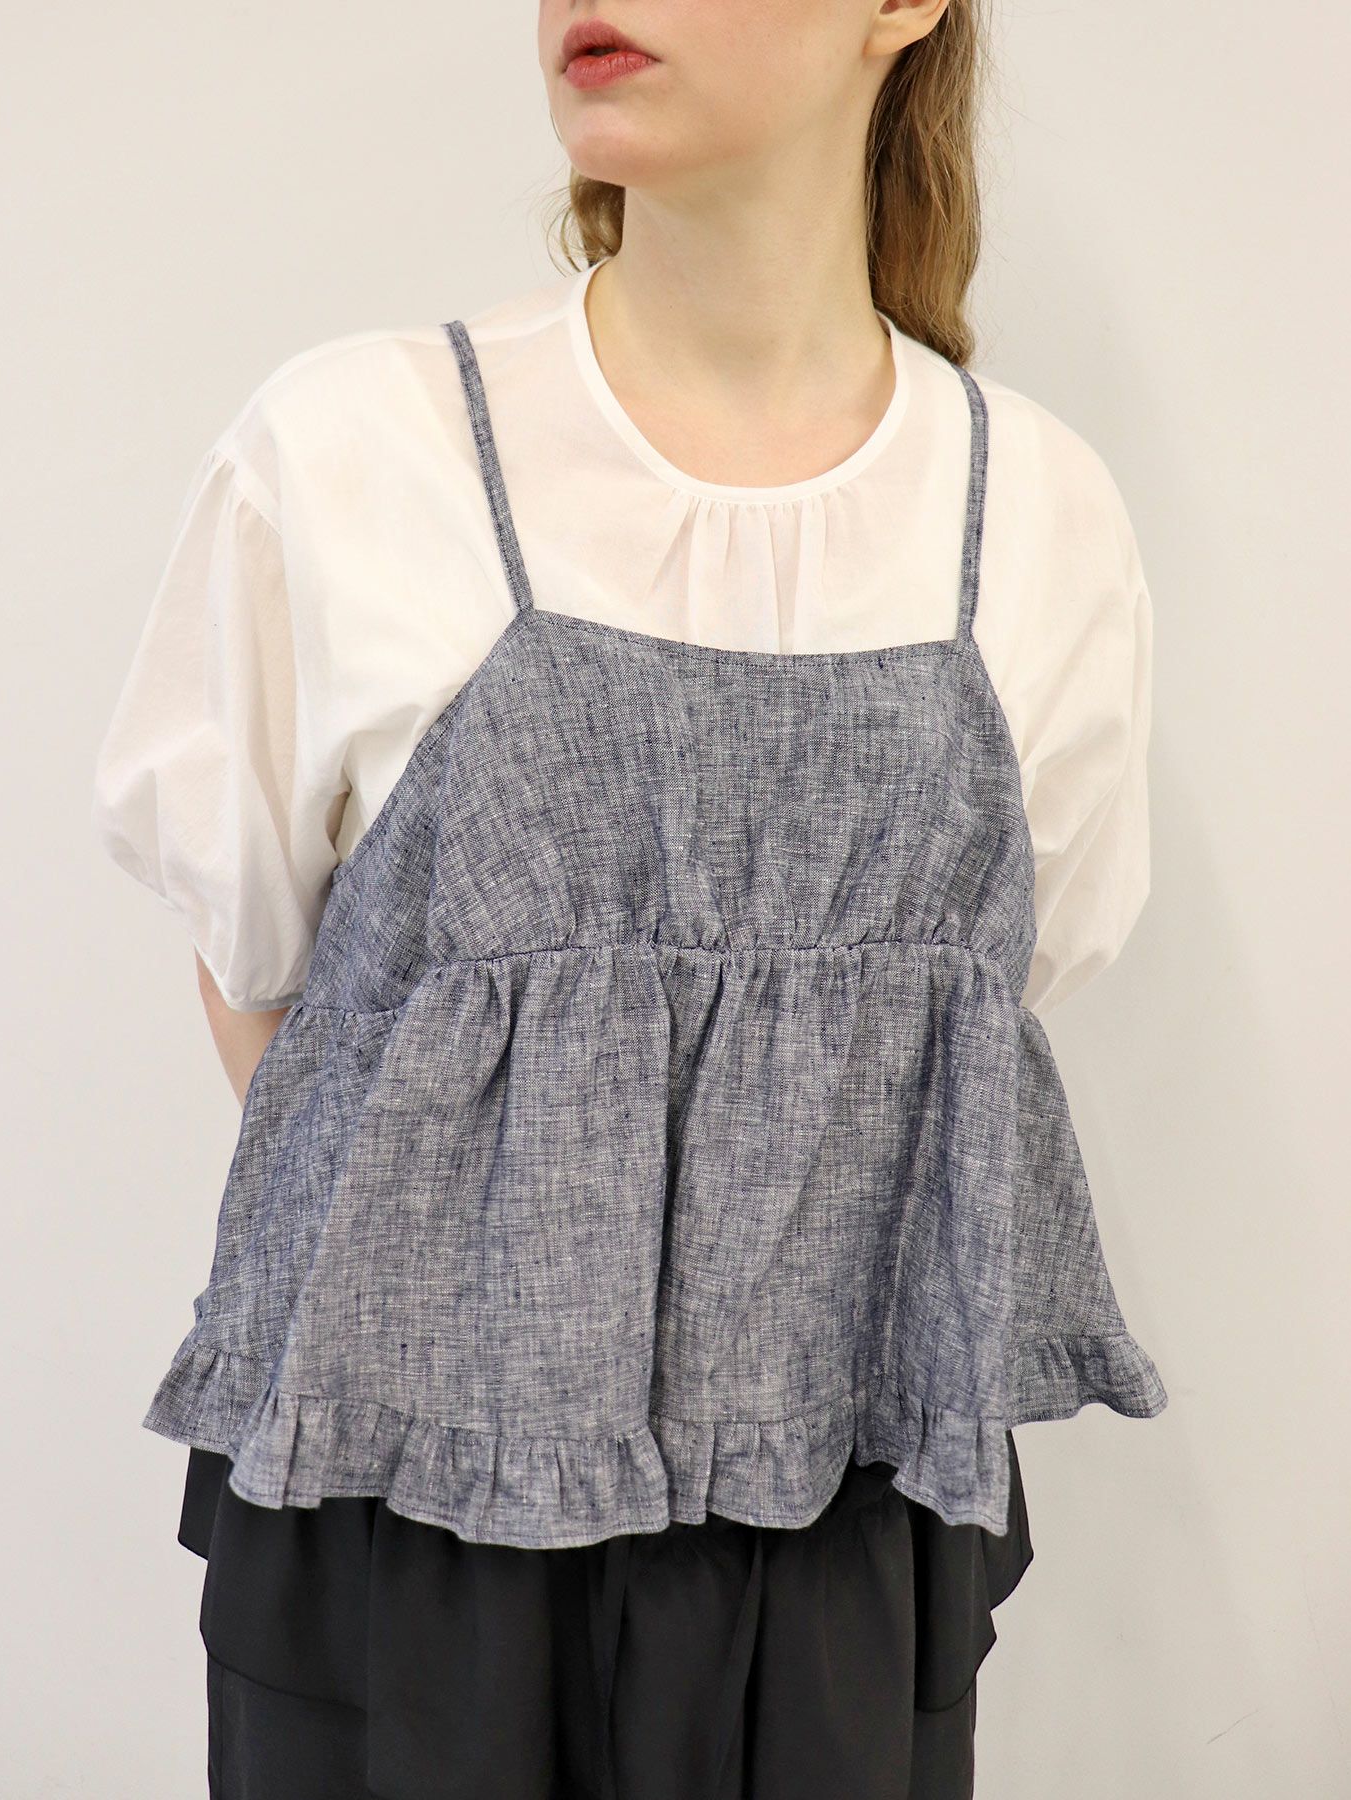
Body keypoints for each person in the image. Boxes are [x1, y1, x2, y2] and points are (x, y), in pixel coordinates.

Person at [91, 1, 1168, 1794]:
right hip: (409, 1531)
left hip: (842, 1535)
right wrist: (506, 1312)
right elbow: (271, 990)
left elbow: (989, 1037)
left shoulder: (1038, 519)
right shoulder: (357, 451)